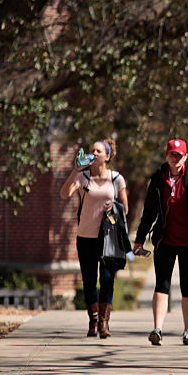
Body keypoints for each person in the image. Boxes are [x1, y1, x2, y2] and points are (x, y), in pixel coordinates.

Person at [133, 139, 188, 346]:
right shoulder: (158, 180)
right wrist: (139, 240)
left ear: (185, 157)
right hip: (165, 240)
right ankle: (157, 329)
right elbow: (149, 212)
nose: (175, 158)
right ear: (166, 156)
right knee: (162, 284)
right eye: (172, 154)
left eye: (179, 155)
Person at [59, 139, 128, 339]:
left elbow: (125, 208)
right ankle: (93, 321)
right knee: (89, 280)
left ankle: (104, 323)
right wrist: (75, 170)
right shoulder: (83, 177)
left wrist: (113, 207)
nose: (94, 153)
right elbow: (64, 194)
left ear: (107, 156)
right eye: (92, 150)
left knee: (107, 279)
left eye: (99, 151)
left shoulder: (117, 179)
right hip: (86, 236)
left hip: (108, 238)